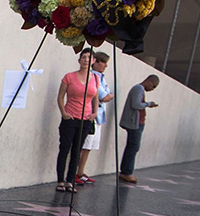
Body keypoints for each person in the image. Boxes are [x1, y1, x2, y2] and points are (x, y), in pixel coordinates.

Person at [55, 49, 100, 192]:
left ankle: (70, 180)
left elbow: (95, 98)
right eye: (84, 57)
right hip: (70, 117)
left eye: (89, 57)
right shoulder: (69, 77)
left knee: (77, 151)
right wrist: (63, 112)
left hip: (85, 120)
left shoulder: (95, 78)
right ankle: (60, 180)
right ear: (79, 60)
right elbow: (60, 96)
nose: (86, 60)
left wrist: (95, 113)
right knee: (64, 149)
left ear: (93, 61)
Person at [75, 51, 114, 185]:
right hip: (90, 116)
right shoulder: (94, 77)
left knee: (88, 147)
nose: (105, 66)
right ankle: (74, 172)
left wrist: (109, 96)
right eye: (103, 62)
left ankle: (81, 172)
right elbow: (104, 96)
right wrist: (110, 96)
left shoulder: (101, 78)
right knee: (83, 145)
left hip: (98, 117)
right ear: (95, 62)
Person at [118, 75, 159, 183]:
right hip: (134, 123)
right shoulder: (138, 89)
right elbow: (136, 105)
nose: (152, 89)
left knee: (132, 146)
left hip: (136, 122)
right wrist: (149, 104)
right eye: (153, 86)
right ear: (149, 81)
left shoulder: (139, 89)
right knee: (134, 146)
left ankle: (125, 171)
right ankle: (127, 172)